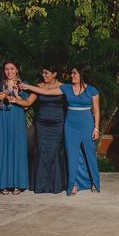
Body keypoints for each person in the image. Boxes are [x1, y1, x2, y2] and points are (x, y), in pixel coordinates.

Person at [22, 65, 101, 195]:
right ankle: (72, 185)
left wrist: (96, 128)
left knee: (90, 154)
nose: (72, 76)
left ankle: (95, 183)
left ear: (82, 75)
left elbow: (96, 111)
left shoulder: (92, 90)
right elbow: (47, 92)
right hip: (70, 126)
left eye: (75, 73)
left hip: (87, 125)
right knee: (71, 155)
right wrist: (28, 87)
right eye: (72, 73)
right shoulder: (66, 88)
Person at [0, 61, 32, 195]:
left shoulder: (23, 85)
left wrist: (16, 94)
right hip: (2, 119)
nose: (9, 72)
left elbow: (26, 106)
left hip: (17, 118)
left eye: (12, 69)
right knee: (1, 148)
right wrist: (1, 97)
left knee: (17, 149)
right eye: (6, 69)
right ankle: (2, 184)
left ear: (17, 70)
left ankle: (18, 183)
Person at [25, 65, 67, 194]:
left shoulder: (64, 87)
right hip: (42, 124)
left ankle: (56, 184)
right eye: (42, 73)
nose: (43, 75)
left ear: (54, 73)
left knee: (55, 151)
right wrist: (14, 99)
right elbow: (27, 103)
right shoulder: (38, 86)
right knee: (42, 151)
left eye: (46, 73)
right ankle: (40, 184)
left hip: (58, 124)